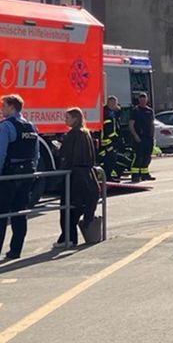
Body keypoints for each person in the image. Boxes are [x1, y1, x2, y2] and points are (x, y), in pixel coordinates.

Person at [0, 94, 39, 262]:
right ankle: (15, 250)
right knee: (20, 213)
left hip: (8, 174)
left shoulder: (5, 126)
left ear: (12, 107)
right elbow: (36, 153)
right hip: (26, 174)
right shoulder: (30, 126)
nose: (1, 109)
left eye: (3, 106)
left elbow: (0, 153)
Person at [55, 107, 100, 247]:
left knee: (67, 208)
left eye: (67, 118)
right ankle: (68, 237)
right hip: (87, 175)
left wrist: (57, 149)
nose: (65, 120)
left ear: (75, 119)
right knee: (77, 207)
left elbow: (65, 154)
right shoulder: (86, 133)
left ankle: (68, 238)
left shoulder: (72, 134)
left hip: (74, 176)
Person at [98, 96, 128, 182]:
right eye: (115, 103)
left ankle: (108, 176)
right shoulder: (109, 114)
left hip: (107, 141)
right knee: (110, 160)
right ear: (111, 103)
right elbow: (109, 129)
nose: (117, 105)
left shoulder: (108, 112)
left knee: (110, 159)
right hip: (108, 142)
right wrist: (115, 139)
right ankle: (108, 177)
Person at [127, 92, 155, 183]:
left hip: (148, 138)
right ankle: (135, 176)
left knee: (147, 157)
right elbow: (131, 124)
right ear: (139, 100)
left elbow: (152, 124)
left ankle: (145, 174)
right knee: (139, 157)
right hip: (139, 137)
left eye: (144, 99)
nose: (143, 101)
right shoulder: (135, 110)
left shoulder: (149, 111)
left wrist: (152, 135)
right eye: (141, 99)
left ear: (147, 100)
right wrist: (135, 136)